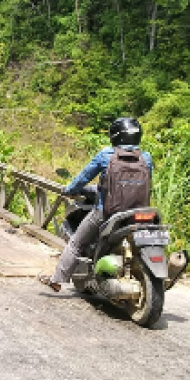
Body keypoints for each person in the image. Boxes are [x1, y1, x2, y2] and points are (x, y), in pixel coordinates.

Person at [37, 117, 153, 292]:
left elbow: (83, 178)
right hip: (140, 212)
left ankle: (57, 280)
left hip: (106, 212)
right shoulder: (146, 158)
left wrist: (70, 189)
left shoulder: (106, 155)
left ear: (115, 136)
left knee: (76, 243)